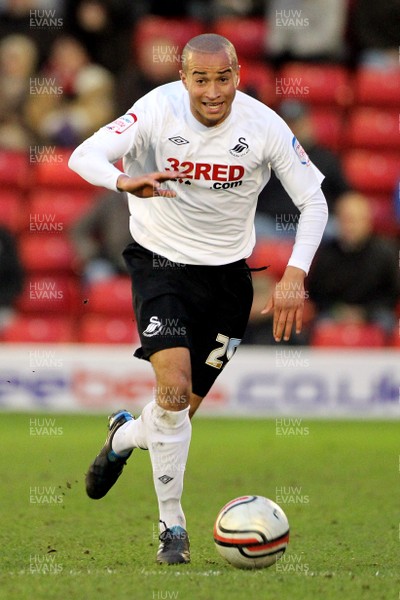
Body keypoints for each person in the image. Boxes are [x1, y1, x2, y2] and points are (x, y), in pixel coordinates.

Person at [68, 33, 328, 565]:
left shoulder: (264, 126)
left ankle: (123, 437)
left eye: (223, 78)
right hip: (160, 265)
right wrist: (125, 181)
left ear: (238, 74)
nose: (213, 91)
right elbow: (82, 154)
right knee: (172, 391)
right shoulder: (155, 110)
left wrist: (295, 274)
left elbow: (314, 201)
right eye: (201, 79)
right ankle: (173, 528)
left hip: (229, 279)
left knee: (177, 415)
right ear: (183, 78)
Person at [307, 191, 400, 337]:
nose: (351, 226)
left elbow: (392, 292)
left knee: (387, 325)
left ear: (368, 221)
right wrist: (339, 311)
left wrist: (364, 313)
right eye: (346, 220)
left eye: (356, 220)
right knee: (319, 327)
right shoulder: (326, 253)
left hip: (376, 312)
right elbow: (316, 292)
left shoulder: (386, 251)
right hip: (334, 312)